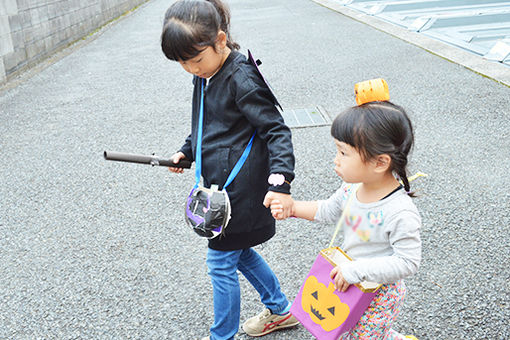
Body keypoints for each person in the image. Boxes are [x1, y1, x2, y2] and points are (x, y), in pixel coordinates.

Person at [160, 1, 299, 339]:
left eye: (195, 60)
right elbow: (206, 123)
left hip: (243, 192)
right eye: (182, 64)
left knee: (220, 264)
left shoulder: (241, 76)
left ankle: (222, 335)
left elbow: (276, 130)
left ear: (220, 40)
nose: (191, 69)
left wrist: (280, 182)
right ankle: (280, 310)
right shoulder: (207, 74)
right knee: (240, 254)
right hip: (221, 189)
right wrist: (186, 151)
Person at [269, 101, 422, 339]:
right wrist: (293, 208)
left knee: (363, 336)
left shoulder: (400, 212)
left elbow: (407, 262)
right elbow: (328, 210)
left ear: (380, 162)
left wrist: (357, 270)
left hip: (378, 292)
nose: (336, 160)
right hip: (348, 278)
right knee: (343, 329)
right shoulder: (352, 188)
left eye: (343, 152)